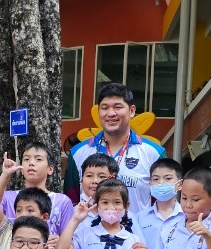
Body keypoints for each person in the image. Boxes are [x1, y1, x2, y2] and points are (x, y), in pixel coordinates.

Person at [65, 83, 165, 212]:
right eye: (104, 108)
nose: (111, 113)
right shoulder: (78, 153)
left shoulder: (154, 153)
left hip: (137, 225)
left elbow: (163, 204)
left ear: (132, 111)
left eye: (118, 107)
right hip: (89, 225)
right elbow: (71, 203)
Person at [0, 141, 75, 240]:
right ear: (21, 169)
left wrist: (58, 242)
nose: (31, 163)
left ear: (50, 169)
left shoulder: (63, 201)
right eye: (26, 159)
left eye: (38, 159)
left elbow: (69, 242)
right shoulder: (6, 197)